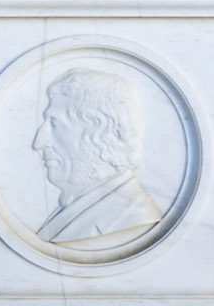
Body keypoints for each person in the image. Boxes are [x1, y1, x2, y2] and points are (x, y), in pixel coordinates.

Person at [34, 68, 163, 248]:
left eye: (55, 124)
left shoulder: (126, 217)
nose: (39, 143)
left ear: (102, 134)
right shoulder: (79, 200)